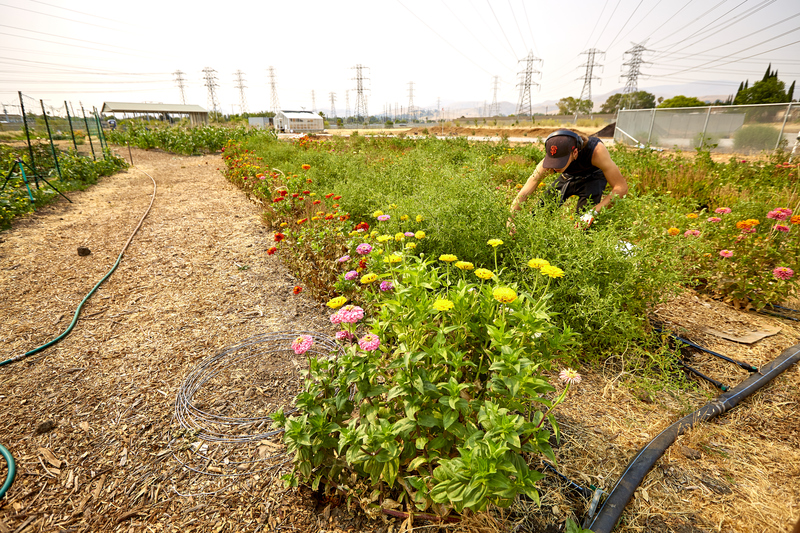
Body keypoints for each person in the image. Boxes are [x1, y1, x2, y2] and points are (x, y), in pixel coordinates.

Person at [509, 129, 628, 228]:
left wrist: (593, 212)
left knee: (582, 225)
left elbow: (621, 188)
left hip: (593, 177)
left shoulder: (596, 151)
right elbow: (525, 191)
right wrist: (510, 220)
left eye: (560, 162)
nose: (554, 167)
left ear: (575, 152)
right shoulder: (550, 161)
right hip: (568, 175)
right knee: (540, 212)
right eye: (552, 161)